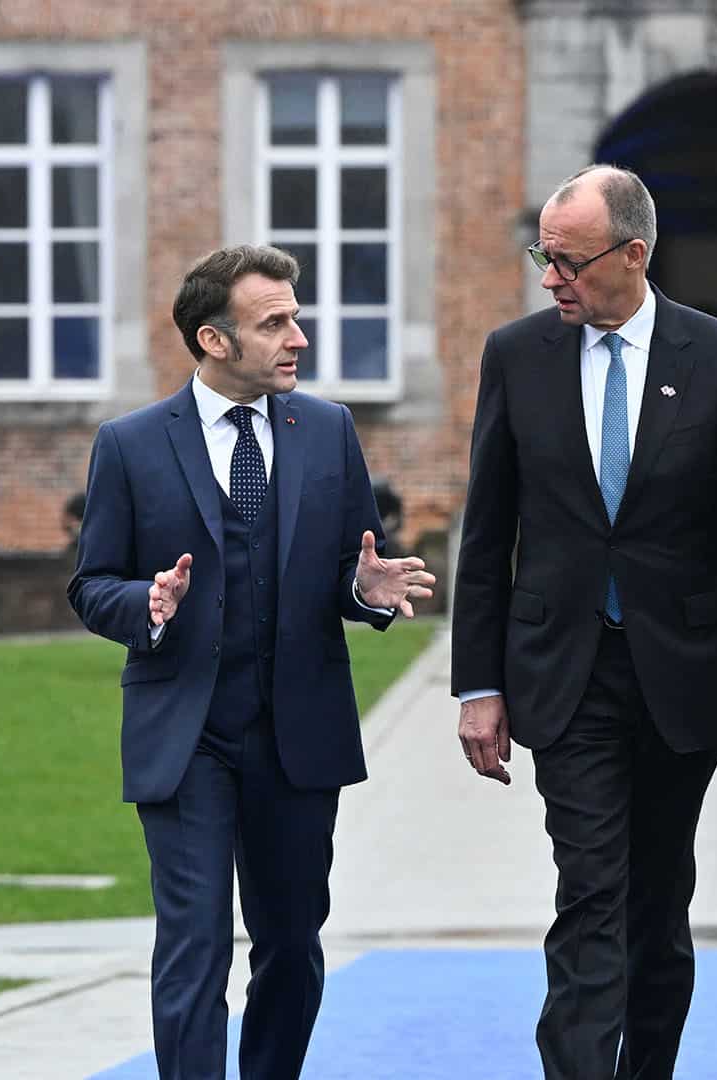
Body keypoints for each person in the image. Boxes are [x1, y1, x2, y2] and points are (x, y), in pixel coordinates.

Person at [452, 165, 717, 1079]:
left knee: (657, 907)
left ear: (633, 255)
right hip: (563, 678)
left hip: (683, 678)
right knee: (589, 896)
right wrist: (479, 686)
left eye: (566, 260)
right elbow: (488, 534)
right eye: (544, 256)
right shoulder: (517, 355)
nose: (549, 278)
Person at [68, 244, 435, 1080]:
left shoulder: (330, 431)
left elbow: (350, 566)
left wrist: (368, 589)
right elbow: (91, 584)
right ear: (213, 340)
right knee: (194, 943)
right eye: (274, 324)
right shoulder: (128, 446)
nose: (297, 337)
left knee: (293, 944)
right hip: (186, 734)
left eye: (295, 318)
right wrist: (145, 605)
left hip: (298, 733)